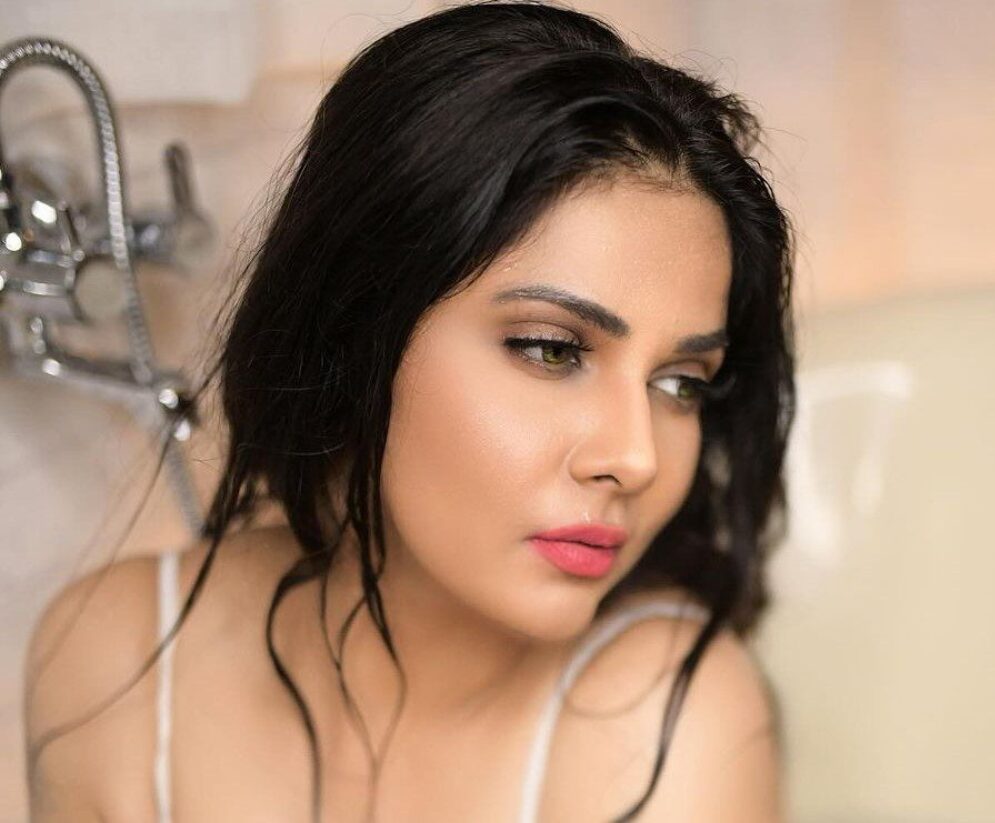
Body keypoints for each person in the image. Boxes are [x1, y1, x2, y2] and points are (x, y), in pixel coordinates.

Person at [22, 1, 798, 820]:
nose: (636, 456)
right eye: (551, 349)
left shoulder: (671, 725)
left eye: (681, 382)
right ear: (356, 328)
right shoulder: (113, 663)